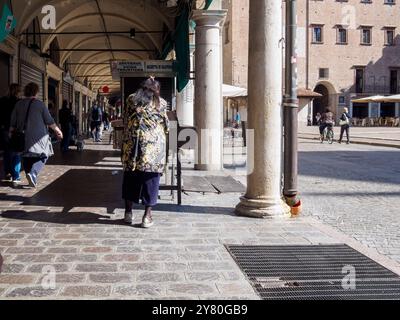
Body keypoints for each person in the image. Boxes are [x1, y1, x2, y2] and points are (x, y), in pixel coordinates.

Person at [121, 77, 169, 228]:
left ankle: (128, 213)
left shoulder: (131, 99)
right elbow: (166, 124)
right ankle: (147, 217)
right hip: (153, 149)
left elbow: (125, 118)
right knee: (151, 180)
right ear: (157, 91)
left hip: (132, 147)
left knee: (130, 178)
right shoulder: (161, 103)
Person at [10, 82, 63, 188]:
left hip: (22, 136)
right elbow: (49, 121)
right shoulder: (40, 104)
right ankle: (33, 174)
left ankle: (30, 175)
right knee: (44, 155)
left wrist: (10, 133)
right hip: (39, 136)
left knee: (26, 156)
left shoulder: (18, 104)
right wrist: (58, 130)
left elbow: (13, 121)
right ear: (36, 92)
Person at [0, 84, 22, 187]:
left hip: (4, 129)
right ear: (18, 91)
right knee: (16, 152)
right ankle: (16, 176)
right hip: (15, 130)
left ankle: (7, 172)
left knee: (7, 151)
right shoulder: (18, 102)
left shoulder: (2, 100)